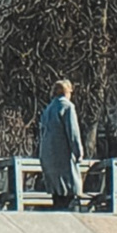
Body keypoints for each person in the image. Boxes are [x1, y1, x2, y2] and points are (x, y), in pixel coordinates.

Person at [37, 78, 84, 212]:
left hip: (48, 156)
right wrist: (78, 152)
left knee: (56, 194)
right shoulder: (67, 107)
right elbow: (73, 132)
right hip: (63, 156)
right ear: (68, 92)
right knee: (69, 192)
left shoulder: (48, 109)